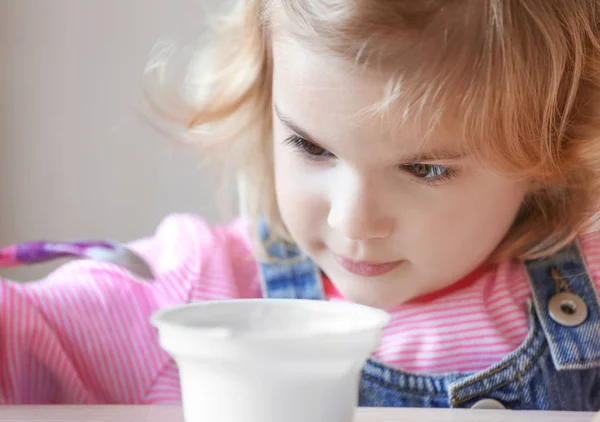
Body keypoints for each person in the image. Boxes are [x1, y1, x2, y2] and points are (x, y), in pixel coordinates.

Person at [1, 0, 600, 410]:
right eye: (311, 146)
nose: (353, 222)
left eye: (426, 168)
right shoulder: (206, 295)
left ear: (552, 146)